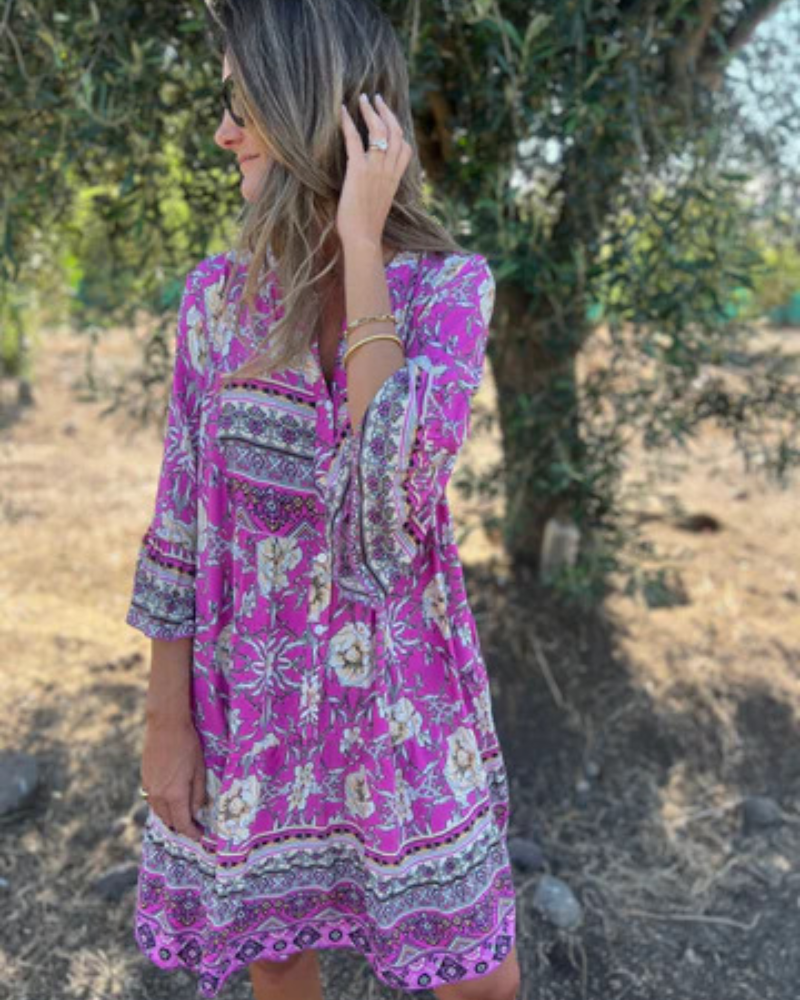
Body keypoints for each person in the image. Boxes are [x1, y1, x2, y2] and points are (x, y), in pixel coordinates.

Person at [126, 1, 520, 998]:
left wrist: (360, 241)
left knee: (480, 981)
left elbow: (384, 510)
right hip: (247, 698)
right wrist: (166, 722)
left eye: (243, 107)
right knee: (279, 956)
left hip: (404, 705)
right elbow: (179, 524)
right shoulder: (216, 303)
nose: (223, 134)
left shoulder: (448, 292)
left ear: (316, 114)